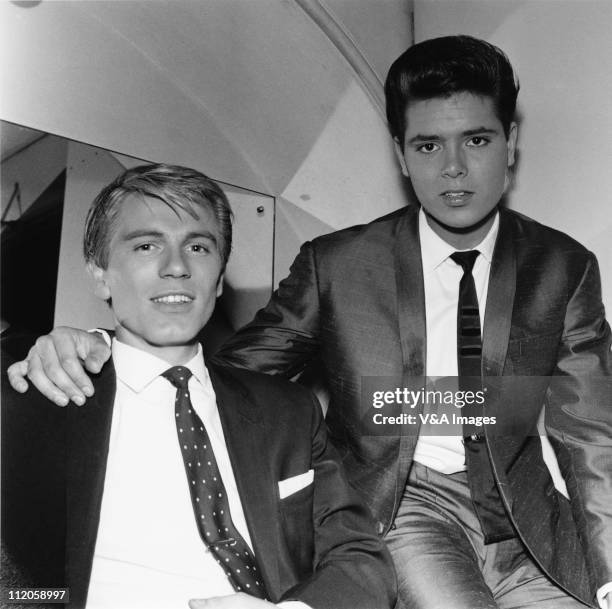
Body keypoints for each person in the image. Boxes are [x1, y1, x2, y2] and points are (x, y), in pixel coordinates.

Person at [7, 35, 612, 609]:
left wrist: (609, 573)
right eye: (428, 145)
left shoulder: (563, 266)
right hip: (403, 509)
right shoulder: (339, 265)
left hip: (527, 520)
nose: (453, 168)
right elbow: (219, 383)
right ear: (401, 153)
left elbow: (591, 432)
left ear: (509, 142)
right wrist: (104, 344)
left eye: (476, 141)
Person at [1, 164, 396, 609]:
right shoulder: (41, 392)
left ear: (219, 273)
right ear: (99, 273)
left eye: (198, 246)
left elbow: (359, 557)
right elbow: (16, 582)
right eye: (147, 245)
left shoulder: (288, 411)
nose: (177, 267)